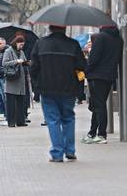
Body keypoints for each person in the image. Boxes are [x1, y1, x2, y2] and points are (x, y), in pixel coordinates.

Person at [31, 25, 86, 162]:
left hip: (47, 89)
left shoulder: (41, 44)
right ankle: (70, 150)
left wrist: (37, 85)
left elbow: (33, 68)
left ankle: (57, 153)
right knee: (68, 118)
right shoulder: (73, 44)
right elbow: (82, 66)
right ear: (65, 29)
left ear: (50, 28)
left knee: (53, 120)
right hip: (68, 88)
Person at [82, 26, 123, 144]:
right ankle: (92, 132)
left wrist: (85, 71)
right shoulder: (118, 39)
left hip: (97, 76)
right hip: (109, 76)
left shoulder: (101, 38)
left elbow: (94, 58)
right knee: (98, 104)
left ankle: (101, 134)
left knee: (98, 105)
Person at [3, 35, 28, 127]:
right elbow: (4, 63)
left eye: (23, 45)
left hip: (20, 79)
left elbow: (24, 61)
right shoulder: (8, 51)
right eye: (20, 45)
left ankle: (21, 121)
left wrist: (26, 62)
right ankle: (11, 122)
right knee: (11, 103)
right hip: (12, 79)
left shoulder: (21, 51)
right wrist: (16, 61)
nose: (22, 47)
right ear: (16, 43)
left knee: (21, 102)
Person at [0, 37, 9, 123]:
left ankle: (8, 117)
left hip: (4, 78)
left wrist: (3, 73)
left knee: (6, 98)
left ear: (4, 43)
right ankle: (7, 116)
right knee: (3, 99)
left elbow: (6, 65)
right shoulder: (0, 53)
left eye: (0, 44)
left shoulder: (7, 52)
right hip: (0, 78)